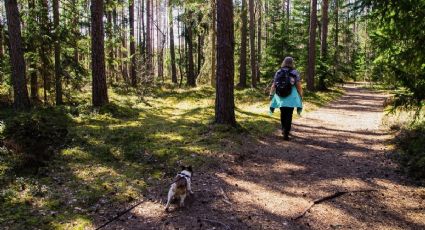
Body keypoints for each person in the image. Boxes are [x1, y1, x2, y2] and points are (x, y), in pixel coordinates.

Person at [269, 57, 303, 140]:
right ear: (292, 63)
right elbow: (298, 85)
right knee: (289, 114)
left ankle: (284, 129)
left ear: (284, 62)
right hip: (291, 96)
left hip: (280, 96)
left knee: (282, 113)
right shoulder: (294, 72)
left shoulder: (279, 71)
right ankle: (286, 132)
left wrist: (271, 94)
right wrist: (301, 94)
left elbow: (274, 84)